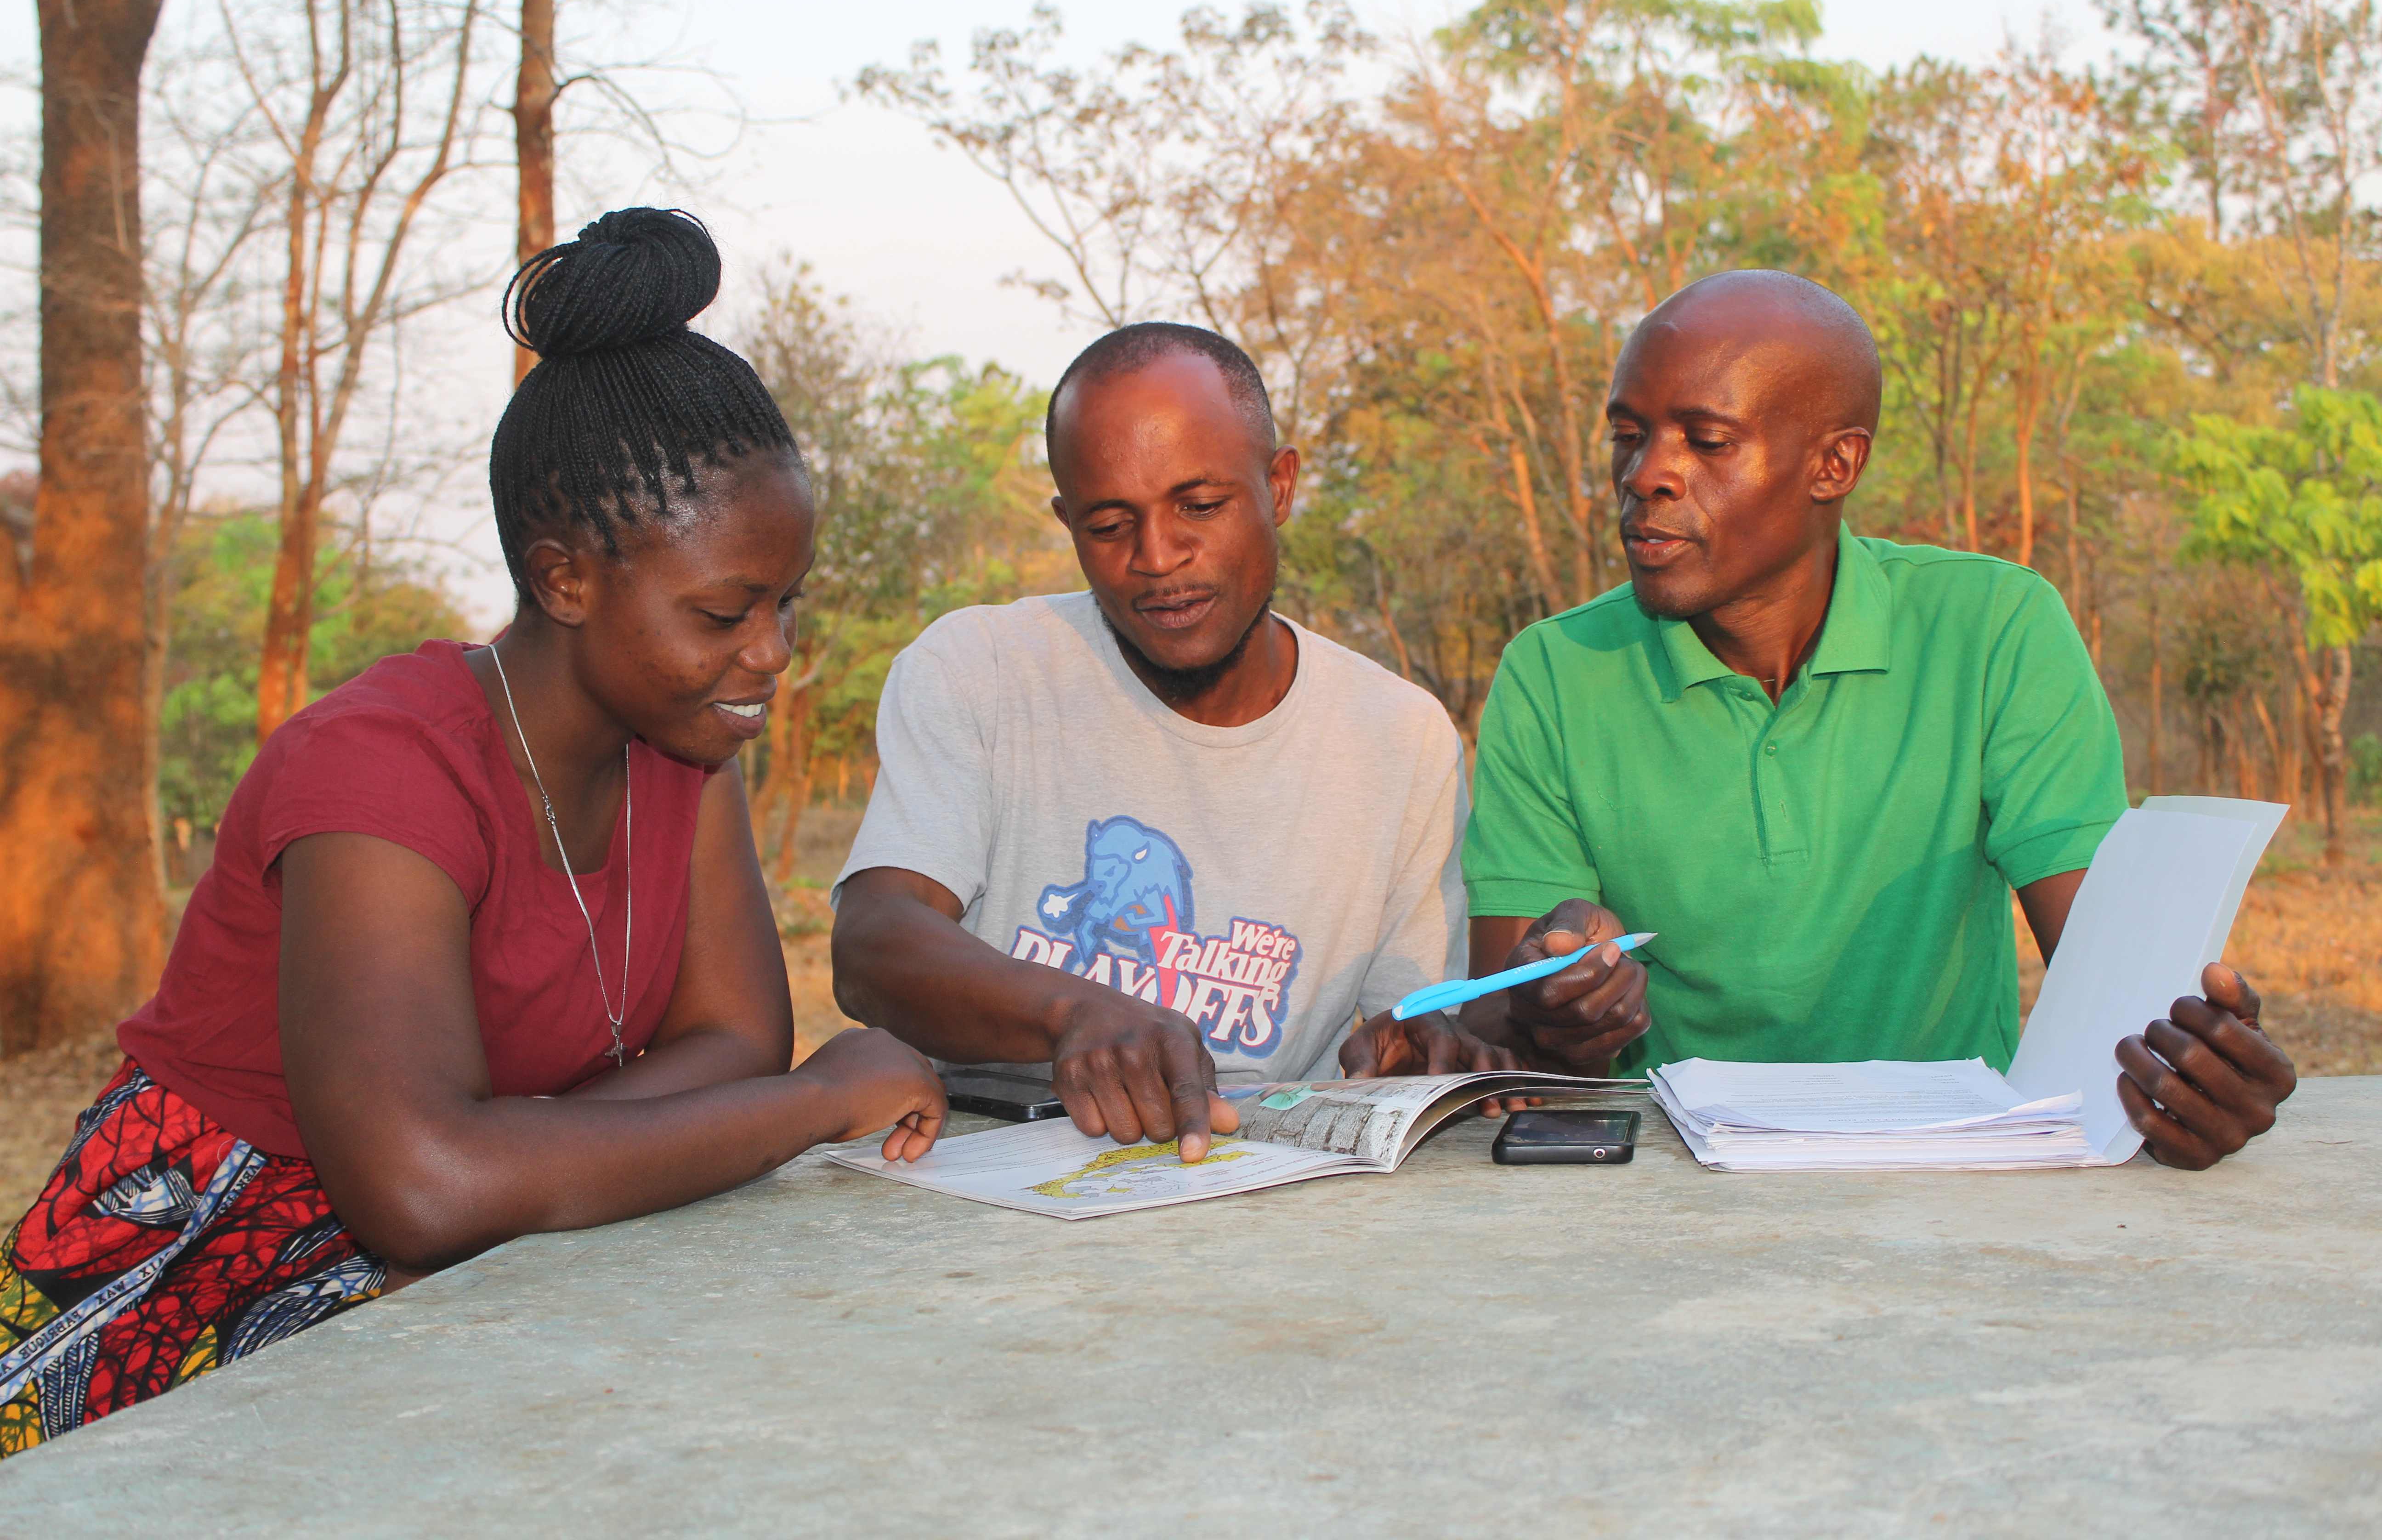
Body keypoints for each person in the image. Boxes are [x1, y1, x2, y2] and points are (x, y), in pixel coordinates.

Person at [0, 208, 945, 1456]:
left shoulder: (680, 740)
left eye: (786, 603)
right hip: (188, 1284)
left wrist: (521, 1155)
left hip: (458, 1251)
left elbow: (733, 1037)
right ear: (563, 579)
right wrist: (813, 1103)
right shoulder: (379, 769)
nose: (771, 655)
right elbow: (417, 1187)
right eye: (726, 611)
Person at [1457, 269, 2297, 1170]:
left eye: (1706, 440)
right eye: (1629, 435)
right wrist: (1557, 1012)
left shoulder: (1993, 630)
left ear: (1836, 465)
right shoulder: (1554, 672)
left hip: (1943, 1170)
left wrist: (2192, 1079)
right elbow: (1496, 1034)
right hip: (1665, 1183)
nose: (1647, 474)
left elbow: (2111, 986)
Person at [832, 323, 1515, 1164]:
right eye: (1110, 525)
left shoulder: (1398, 738)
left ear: (1281, 486)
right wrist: (1071, 1011)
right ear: (1067, 521)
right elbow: (871, 943)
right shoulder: (980, 670)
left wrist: (1412, 1050)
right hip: (991, 1199)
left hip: (1254, 1197)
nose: (1158, 558)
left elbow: (1415, 1023)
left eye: (1201, 506)